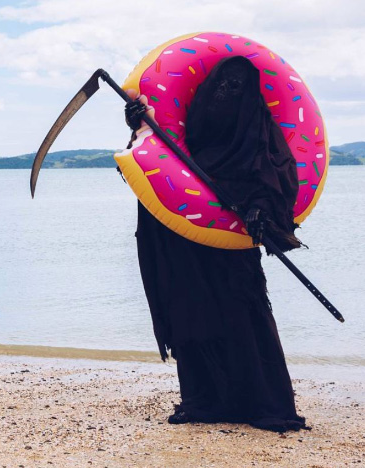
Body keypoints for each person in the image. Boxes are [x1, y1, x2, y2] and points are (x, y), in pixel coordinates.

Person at [124, 55, 307, 432]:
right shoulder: (186, 136)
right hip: (182, 242)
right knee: (192, 314)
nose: (226, 94)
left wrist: (259, 209)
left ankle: (260, 402)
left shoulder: (258, 133)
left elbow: (277, 175)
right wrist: (139, 126)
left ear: (250, 95)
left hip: (230, 244)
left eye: (236, 88)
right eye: (221, 86)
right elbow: (148, 170)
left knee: (242, 317)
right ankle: (204, 400)